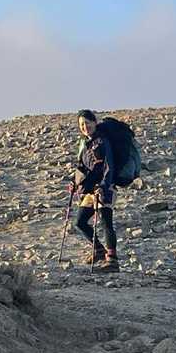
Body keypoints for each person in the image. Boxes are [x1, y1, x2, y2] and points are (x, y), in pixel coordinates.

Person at [71, 109, 119, 272]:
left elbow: (109, 166)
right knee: (80, 222)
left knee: (106, 221)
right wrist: (75, 183)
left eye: (87, 123)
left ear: (94, 122)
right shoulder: (85, 144)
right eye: (81, 124)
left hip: (105, 188)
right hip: (91, 190)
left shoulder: (103, 142)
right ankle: (98, 250)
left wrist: (104, 186)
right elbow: (82, 168)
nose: (85, 127)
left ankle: (112, 261)